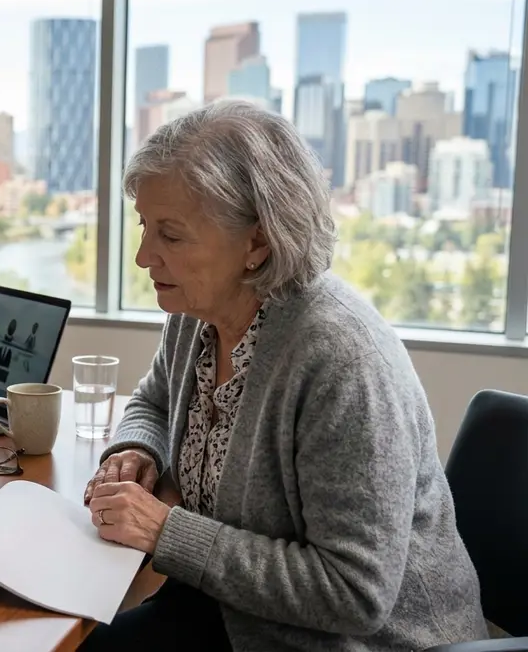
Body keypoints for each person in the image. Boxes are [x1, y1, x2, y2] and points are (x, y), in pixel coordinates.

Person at [79, 100, 486, 651]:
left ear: (257, 242)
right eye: (145, 227)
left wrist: (163, 530)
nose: (144, 256)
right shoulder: (195, 313)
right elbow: (153, 400)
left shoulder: (344, 361)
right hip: (231, 608)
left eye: (171, 236)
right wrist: (138, 450)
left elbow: (354, 593)